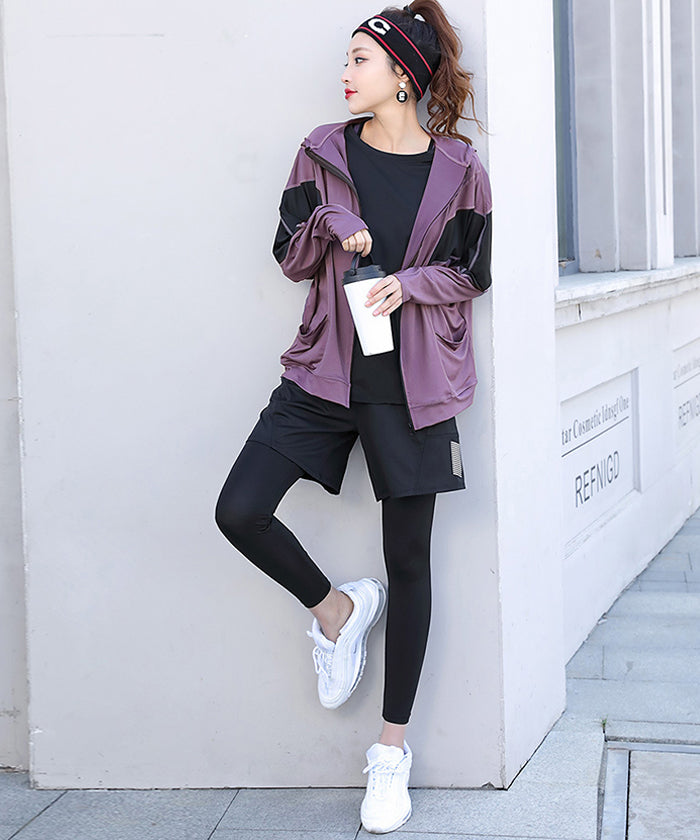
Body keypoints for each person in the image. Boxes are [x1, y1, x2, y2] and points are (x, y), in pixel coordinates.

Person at [215, 1, 492, 833]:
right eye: (347, 60)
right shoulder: (322, 151)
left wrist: (408, 283)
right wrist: (332, 223)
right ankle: (336, 611)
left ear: (403, 75)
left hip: (415, 383)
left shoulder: (459, 168)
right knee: (240, 508)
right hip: (326, 373)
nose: (345, 74)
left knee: (409, 562)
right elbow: (288, 251)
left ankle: (390, 754)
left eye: (360, 60)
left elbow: (472, 271)